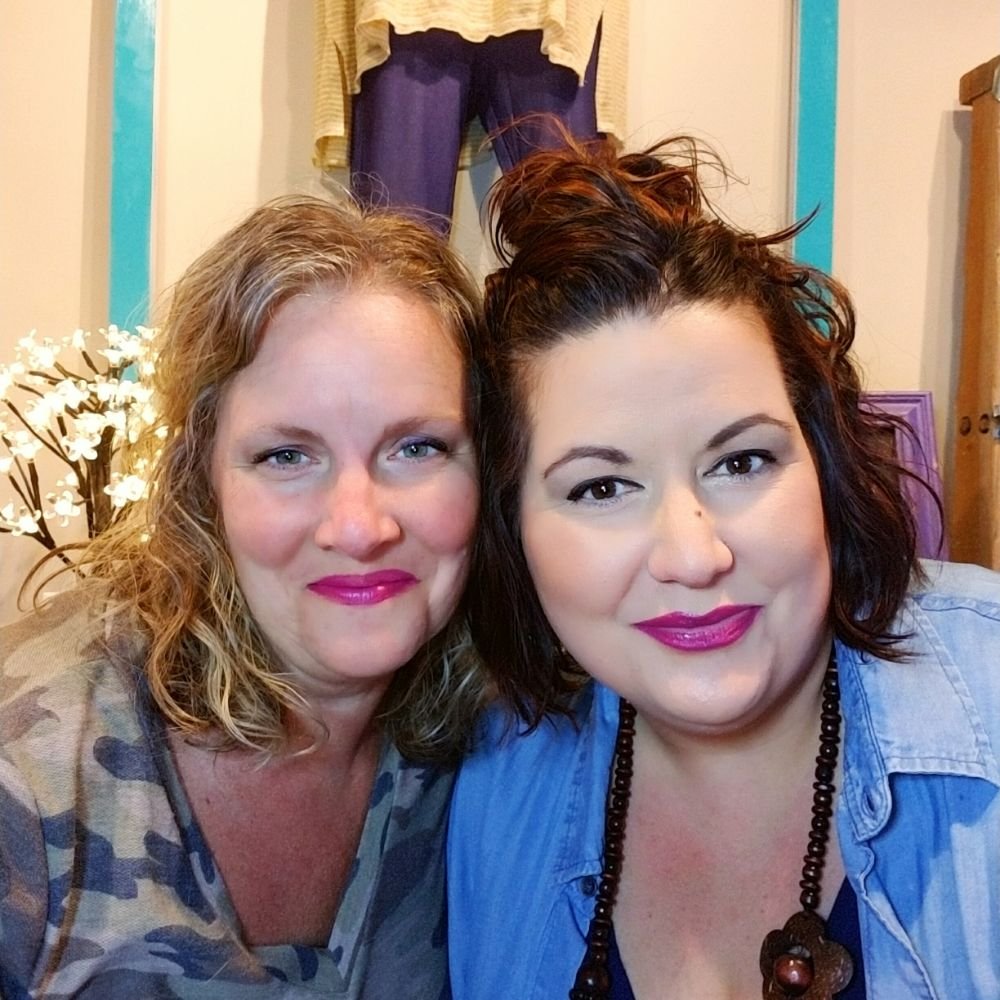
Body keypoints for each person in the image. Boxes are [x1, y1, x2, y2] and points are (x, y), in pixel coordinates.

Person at [447, 133, 1000, 999]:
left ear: (822, 461)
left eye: (741, 462)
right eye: (601, 488)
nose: (695, 556)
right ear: (512, 529)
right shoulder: (496, 789)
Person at [0, 194, 485, 998]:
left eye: (417, 447)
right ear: (203, 483)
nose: (359, 527)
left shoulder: (492, 749)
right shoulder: (28, 778)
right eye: (287, 456)